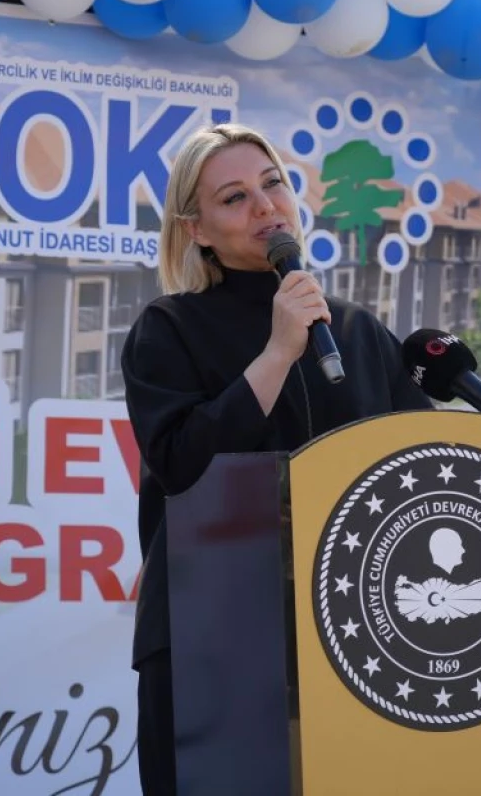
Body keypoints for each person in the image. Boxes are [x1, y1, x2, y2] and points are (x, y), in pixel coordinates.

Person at [120, 123, 434, 794]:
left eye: (273, 185)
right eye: (234, 197)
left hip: (349, 643)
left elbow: (421, 469)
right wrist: (277, 353)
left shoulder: (356, 331)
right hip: (209, 640)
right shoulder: (168, 328)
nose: (265, 206)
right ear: (196, 229)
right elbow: (182, 467)